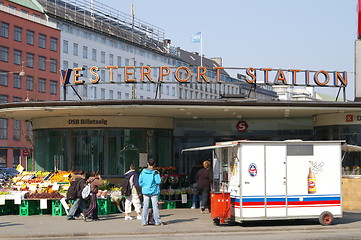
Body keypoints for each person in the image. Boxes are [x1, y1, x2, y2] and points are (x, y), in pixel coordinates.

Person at [139, 158, 163, 226]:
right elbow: (158, 181)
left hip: (145, 191)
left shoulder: (142, 172)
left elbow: (140, 182)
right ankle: (157, 221)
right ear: (154, 164)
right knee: (155, 206)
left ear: (147, 163)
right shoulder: (155, 172)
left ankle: (144, 221)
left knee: (145, 206)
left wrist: (145, 186)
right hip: (154, 191)